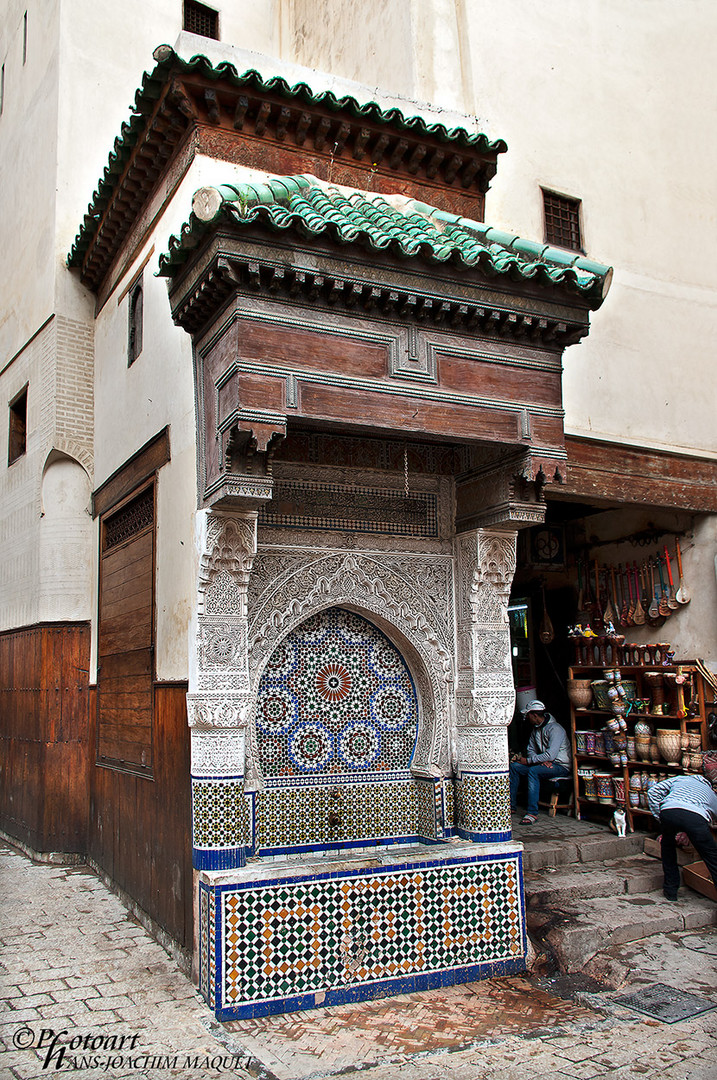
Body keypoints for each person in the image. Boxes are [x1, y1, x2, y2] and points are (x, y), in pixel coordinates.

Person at [647, 761, 717, 902]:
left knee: (667, 848)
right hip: (695, 817)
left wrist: (660, 816)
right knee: (712, 858)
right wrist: (690, 831)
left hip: (669, 810)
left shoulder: (681, 779)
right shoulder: (711, 794)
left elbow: (653, 792)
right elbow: (711, 818)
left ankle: (671, 891)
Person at [509, 699, 572, 825]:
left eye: (528, 715)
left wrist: (530, 761)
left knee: (533, 771)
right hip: (545, 764)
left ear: (535, 715)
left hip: (560, 766)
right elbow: (531, 749)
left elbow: (551, 755)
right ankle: (511, 806)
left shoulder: (556, 729)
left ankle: (532, 812)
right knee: (514, 767)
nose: (527, 718)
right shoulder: (536, 730)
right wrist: (538, 760)